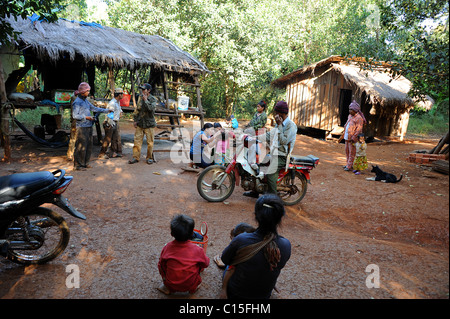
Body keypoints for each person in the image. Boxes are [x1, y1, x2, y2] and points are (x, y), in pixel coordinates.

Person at [220, 194, 291, 299]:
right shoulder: (286, 245)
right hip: (263, 296)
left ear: (256, 216)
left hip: (235, 294)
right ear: (280, 218)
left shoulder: (241, 239)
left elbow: (225, 259)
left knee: (230, 265)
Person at [244, 101, 297, 197]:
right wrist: (254, 138)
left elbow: (284, 141)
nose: (275, 115)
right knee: (257, 166)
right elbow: (269, 135)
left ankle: (273, 198)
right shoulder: (278, 123)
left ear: (282, 113)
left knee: (270, 174)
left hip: (282, 156)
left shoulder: (290, 126)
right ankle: (256, 191)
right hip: (273, 153)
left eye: (276, 112)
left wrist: (280, 125)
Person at [157, 214, 210, 295]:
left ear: (171, 234)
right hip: (190, 285)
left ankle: (167, 287)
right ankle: (192, 289)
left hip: (170, 284)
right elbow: (206, 264)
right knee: (199, 264)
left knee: (162, 264)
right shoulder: (198, 250)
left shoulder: (167, 247)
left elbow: (161, 264)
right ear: (192, 233)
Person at [72, 82, 112, 171]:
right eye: (87, 91)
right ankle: (78, 165)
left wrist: (106, 110)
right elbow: (75, 116)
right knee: (80, 146)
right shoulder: (77, 102)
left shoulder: (85, 100)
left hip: (88, 126)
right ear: (82, 91)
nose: (88, 93)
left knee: (88, 146)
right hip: (82, 127)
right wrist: (87, 117)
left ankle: (85, 163)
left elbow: (94, 108)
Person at [213, 223, 256, 299]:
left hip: (239, 290)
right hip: (259, 290)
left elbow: (231, 269)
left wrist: (223, 290)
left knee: (229, 263)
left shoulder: (240, 249)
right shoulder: (259, 245)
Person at [129, 83, 157, 165]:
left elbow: (151, 109)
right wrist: (135, 120)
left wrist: (146, 101)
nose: (142, 91)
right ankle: (135, 157)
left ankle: (149, 158)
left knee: (150, 143)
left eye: (144, 89)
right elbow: (137, 109)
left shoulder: (153, 99)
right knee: (137, 141)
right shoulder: (140, 98)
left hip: (149, 124)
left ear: (149, 90)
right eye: (142, 89)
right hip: (140, 123)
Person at [338, 100, 366, 171]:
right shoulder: (350, 116)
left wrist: (353, 137)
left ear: (355, 110)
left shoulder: (359, 118)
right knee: (347, 151)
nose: (350, 111)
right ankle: (348, 164)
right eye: (349, 109)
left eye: (351, 110)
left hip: (352, 138)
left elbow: (359, 129)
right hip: (347, 137)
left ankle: (349, 166)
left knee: (351, 152)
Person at [98, 87, 124, 159]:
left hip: (115, 122)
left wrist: (120, 113)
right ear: (119, 95)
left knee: (115, 138)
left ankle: (112, 153)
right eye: (122, 94)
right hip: (110, 122)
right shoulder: (112, 103)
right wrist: (110, 123)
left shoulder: (117, 102)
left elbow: (119, 110)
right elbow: (110, 113)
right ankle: (102, 154)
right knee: (108, 139)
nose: (123, 96)